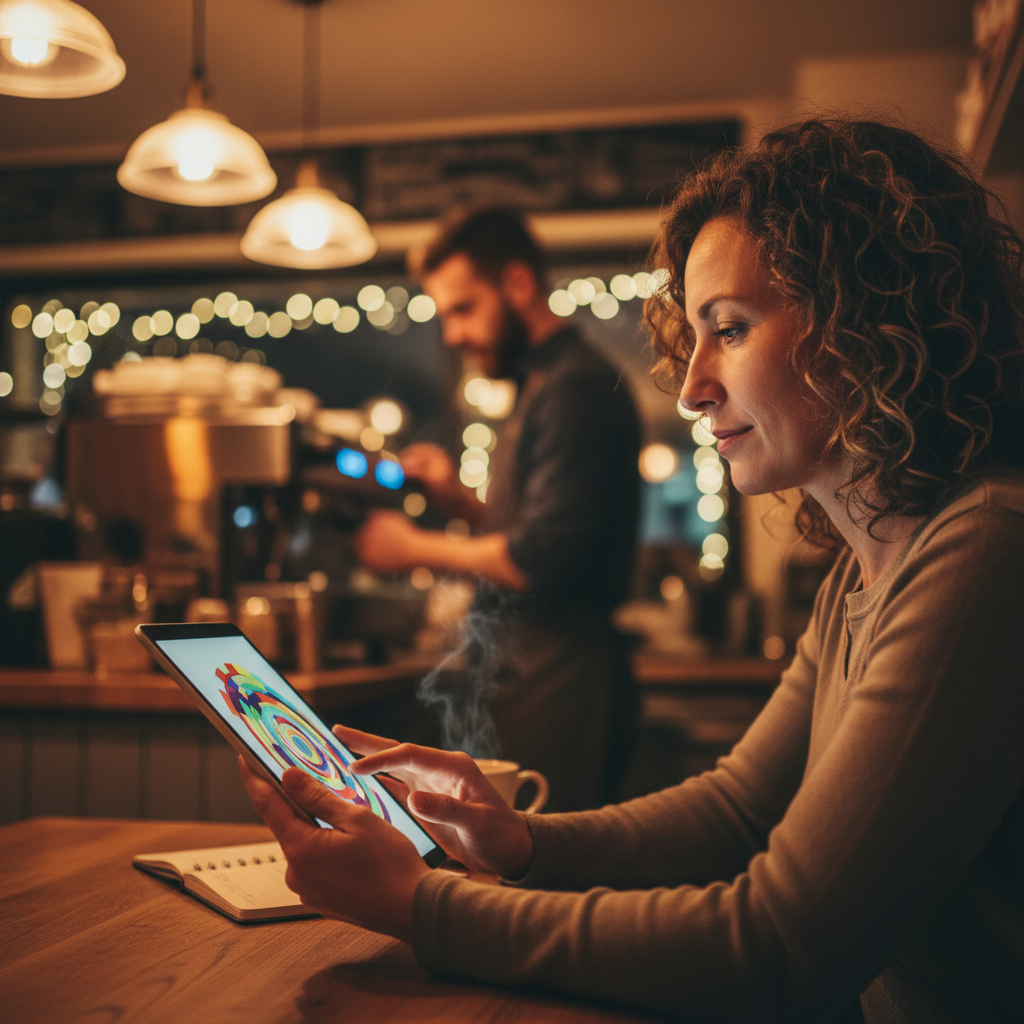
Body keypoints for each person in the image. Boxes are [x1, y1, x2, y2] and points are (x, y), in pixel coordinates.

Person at [242, 120, 1024, 1022]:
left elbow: (779, 943)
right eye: (695, 335)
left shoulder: (985, 549)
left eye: (731, 329)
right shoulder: (864, 569)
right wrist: (519, 840)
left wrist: (421, 906)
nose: (691, 387)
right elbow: (738, 810)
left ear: (866, 320)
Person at [353, 208, 641, 811]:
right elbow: (540, 528)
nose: (453, 335)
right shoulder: (543, 383)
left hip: (560, 678)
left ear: (518, 283)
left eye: (463, 309)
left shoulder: (572, 387)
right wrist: (460, 501)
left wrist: (413, 548)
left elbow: (543, 559)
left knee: (542, 857)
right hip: (533, 670)